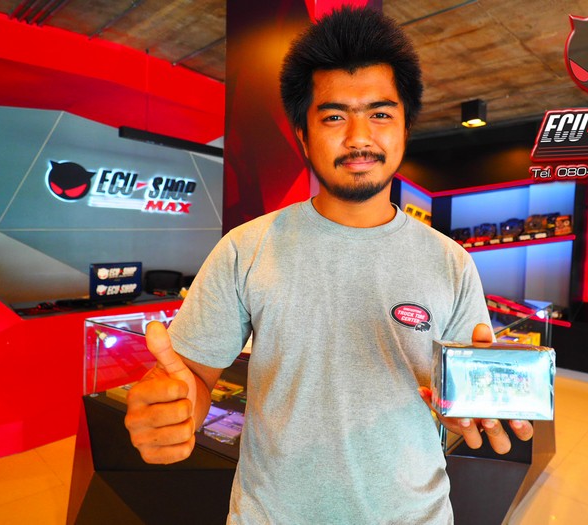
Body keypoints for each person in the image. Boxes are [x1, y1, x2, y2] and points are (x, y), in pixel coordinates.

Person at [125, 6, 533, 524]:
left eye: (380, 114)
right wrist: (173, 410)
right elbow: (195, 378)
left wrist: (476, 403)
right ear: (303, 135)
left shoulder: (450, 262)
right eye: (335, 116)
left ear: (405, 128)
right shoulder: (245, 248)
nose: (359, 137)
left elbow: (457, 395)